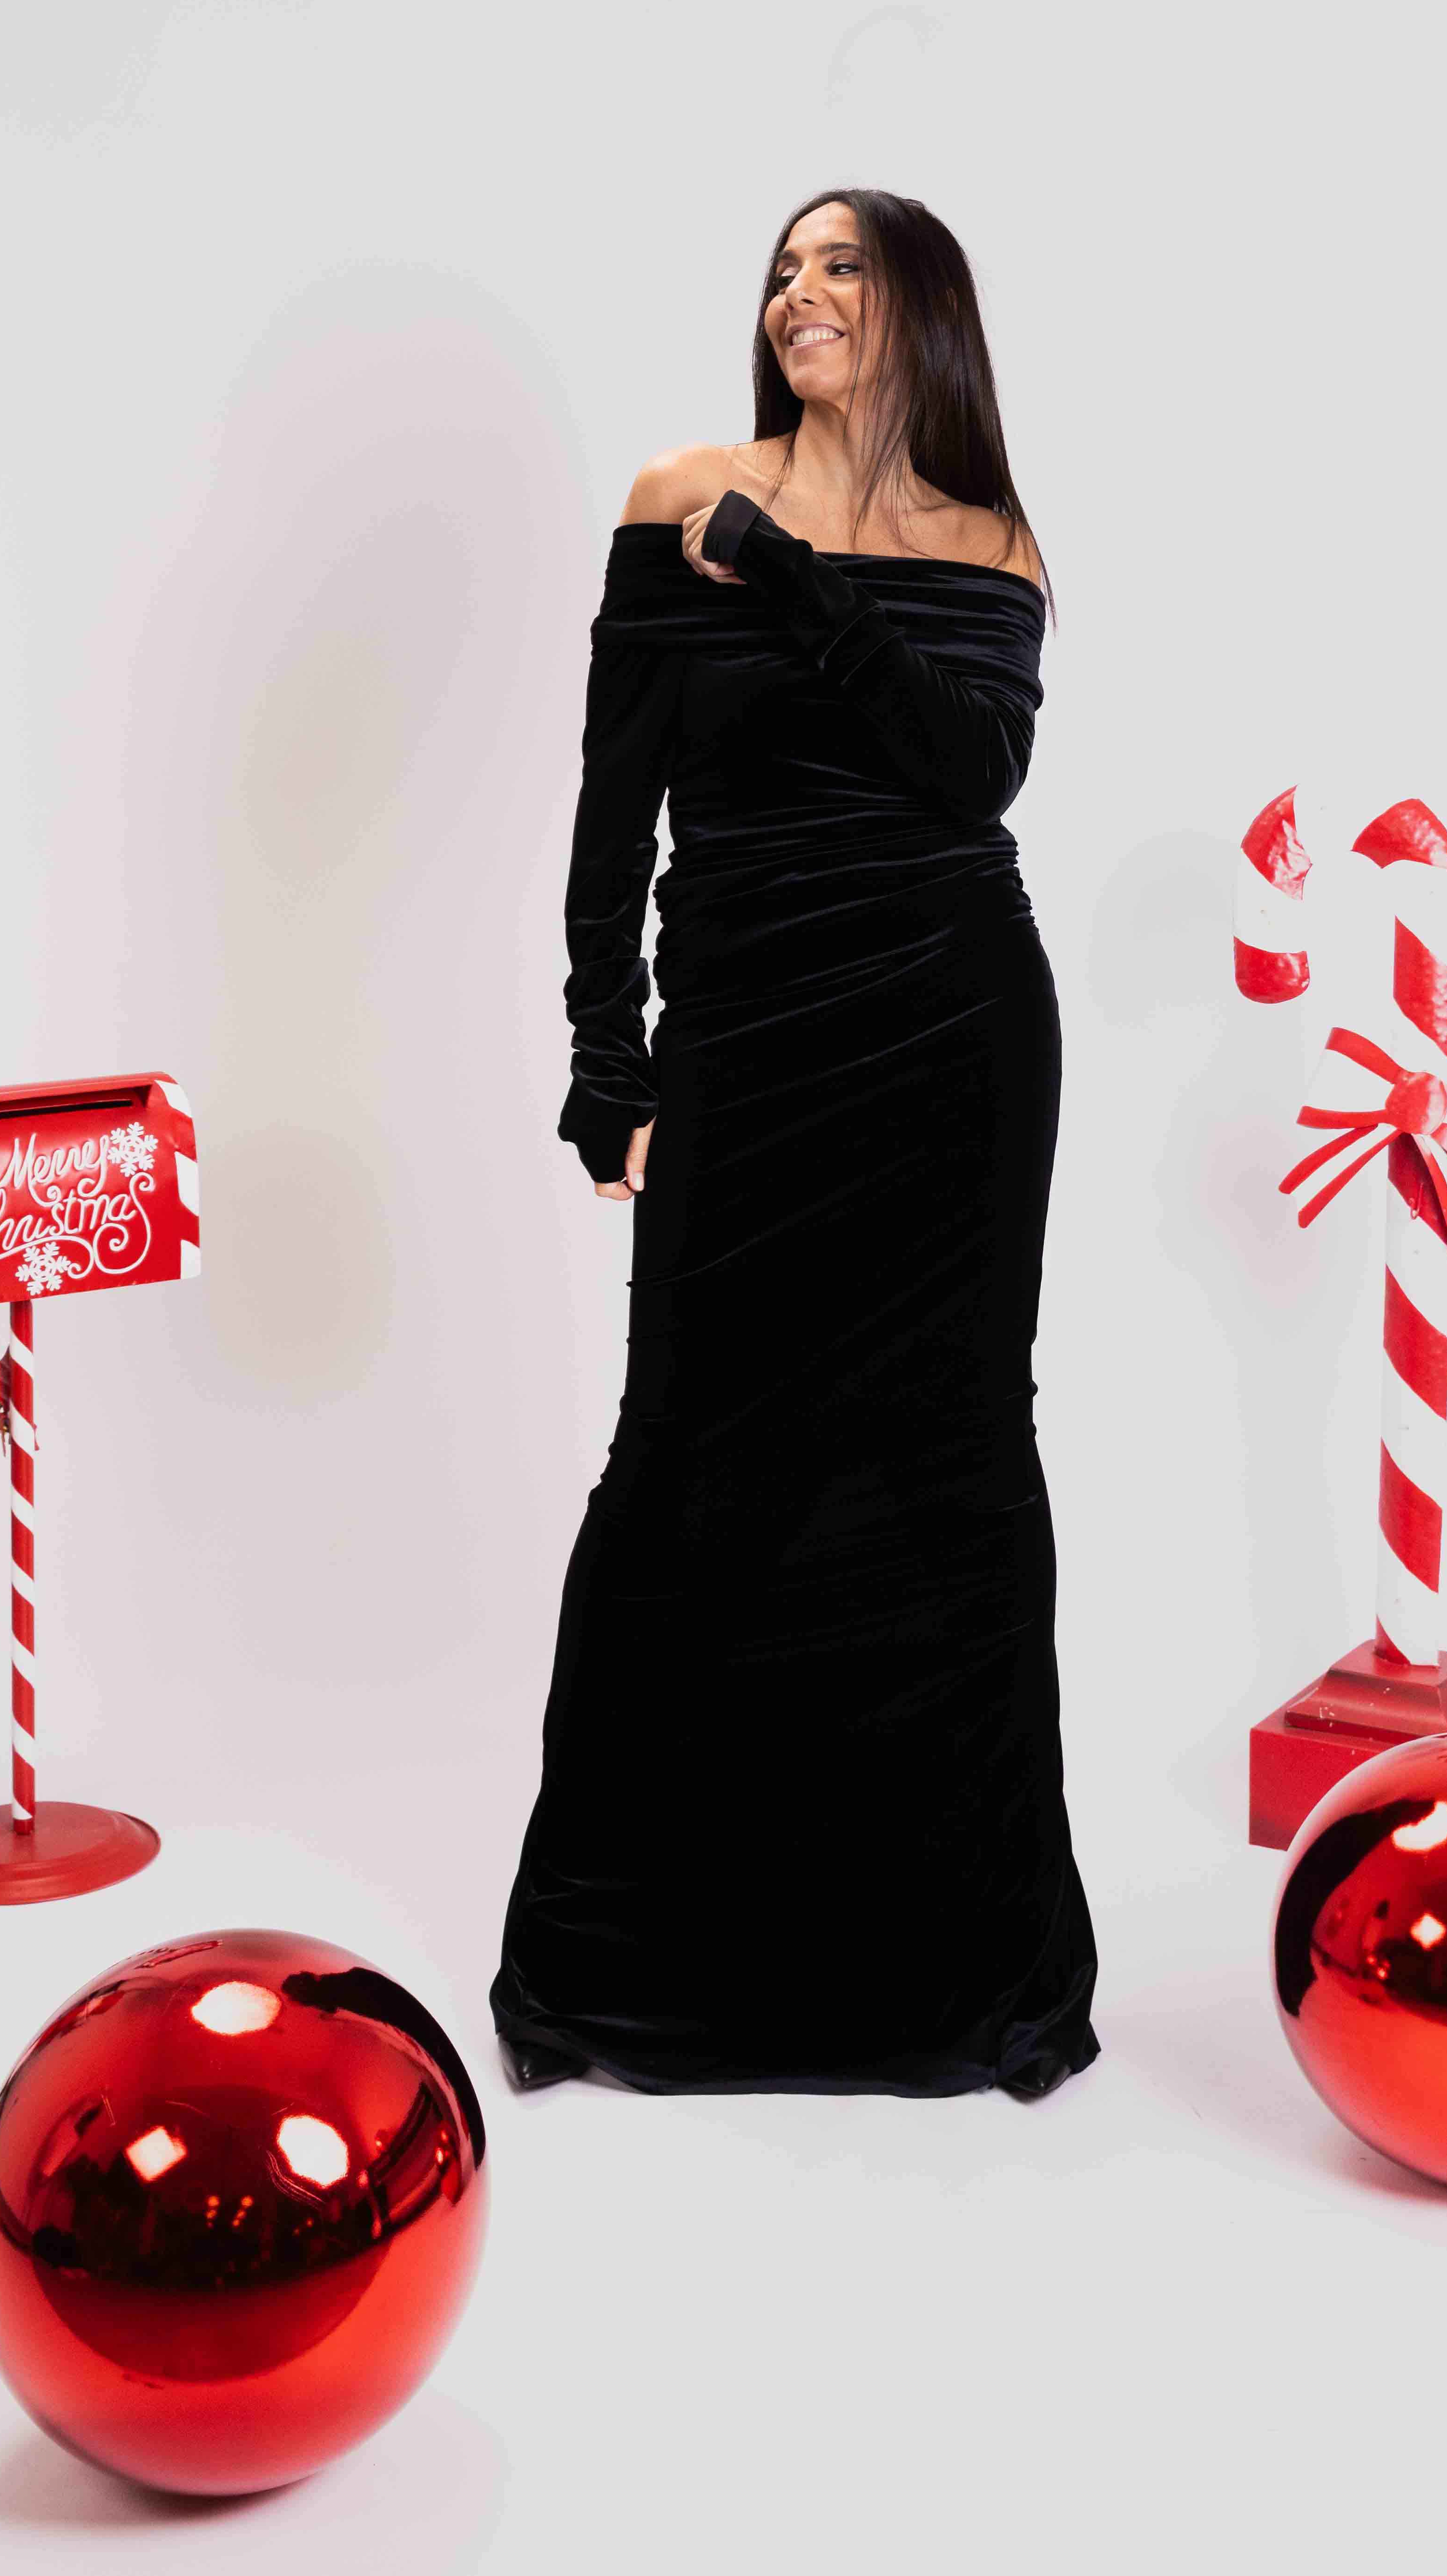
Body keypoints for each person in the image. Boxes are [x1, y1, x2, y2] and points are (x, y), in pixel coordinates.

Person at [489, 188, 1099, 2098]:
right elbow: (614, 812)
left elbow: (970, 772)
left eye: (842, 265)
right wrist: (610, 1061)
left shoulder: (991, 537)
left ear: (925, 310)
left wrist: (804, 580)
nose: (798, 292)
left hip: (954, 1036)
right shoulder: (681, 496)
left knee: (952, 1462)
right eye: (781, 268)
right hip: (748, 1042)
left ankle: (964, 1978)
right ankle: (617, 1969)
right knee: (686, 1461)